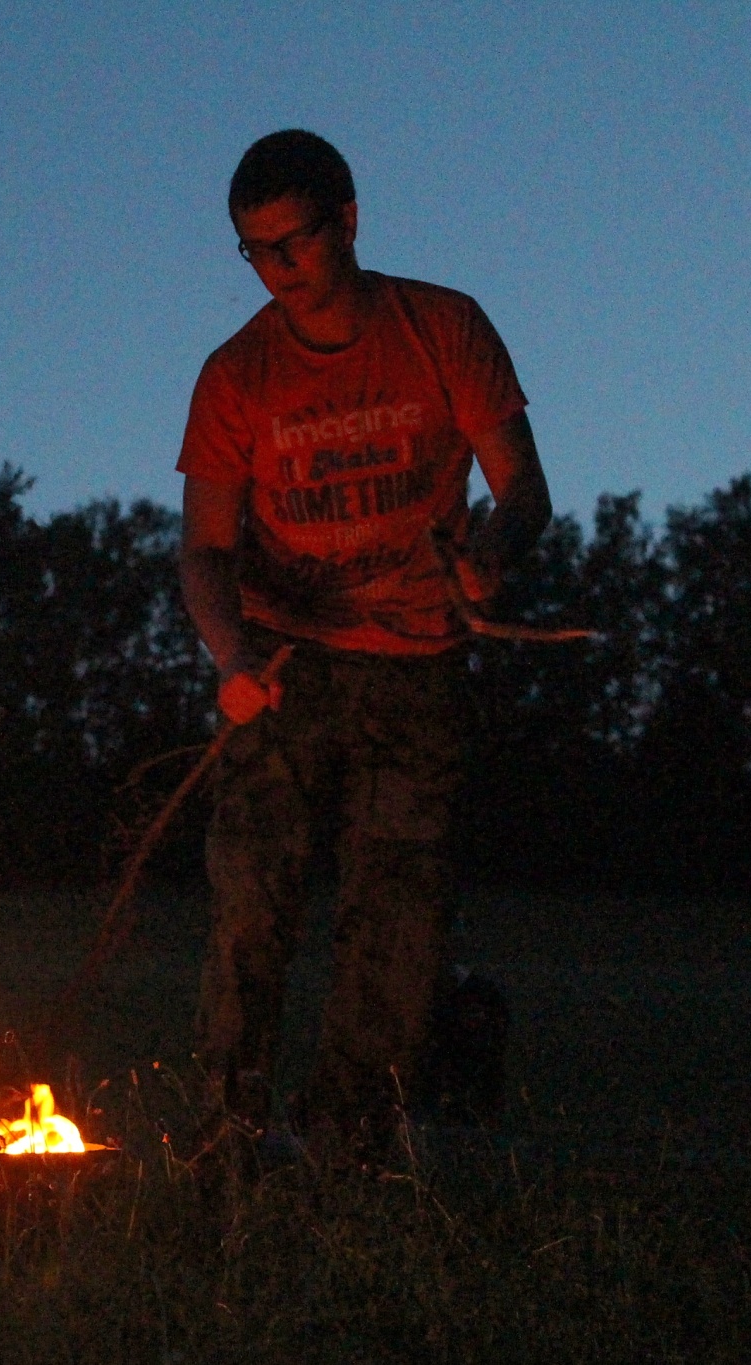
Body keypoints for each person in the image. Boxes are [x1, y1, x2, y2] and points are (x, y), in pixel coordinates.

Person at [175, 130, 552, 1158]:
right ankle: (223, 1137)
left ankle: (347, 1142)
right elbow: (204, 550)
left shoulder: (442, 327)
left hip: (416, 663)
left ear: (346, 221)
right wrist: (231, 660)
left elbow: (522, 489)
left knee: (396, 913)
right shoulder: (236, 374)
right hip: (285, 663)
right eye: (252, 250)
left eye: (291, 241)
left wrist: (489, 555)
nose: (275, 269)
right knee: (249, 898)